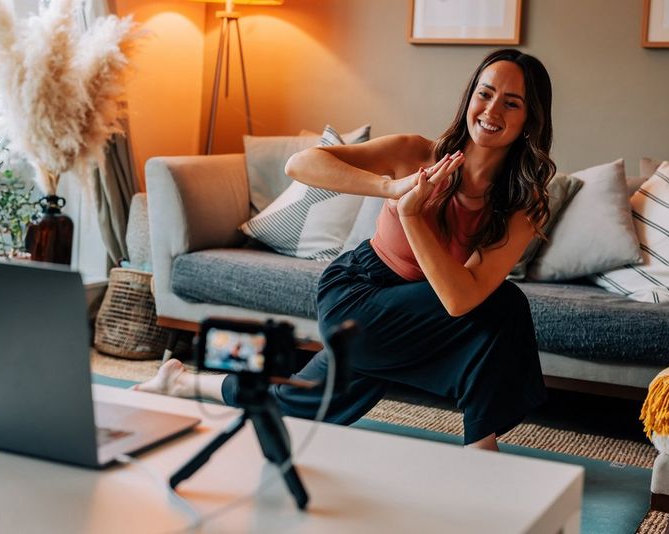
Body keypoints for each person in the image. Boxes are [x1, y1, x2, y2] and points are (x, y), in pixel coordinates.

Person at [135, 48, 555, 452]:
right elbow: (300, 164)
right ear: (470, 96)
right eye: (485, 93)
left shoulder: (522, 203)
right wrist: (390, 189)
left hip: (419, 310)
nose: (492, 111)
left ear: (529, 120)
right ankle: (481, 447)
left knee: (302, 404)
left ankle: (181, 382)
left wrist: (412, 218)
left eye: (512, 103)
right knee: (506, 305)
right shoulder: (415, 152)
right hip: (358, 295)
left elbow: (461, 297)